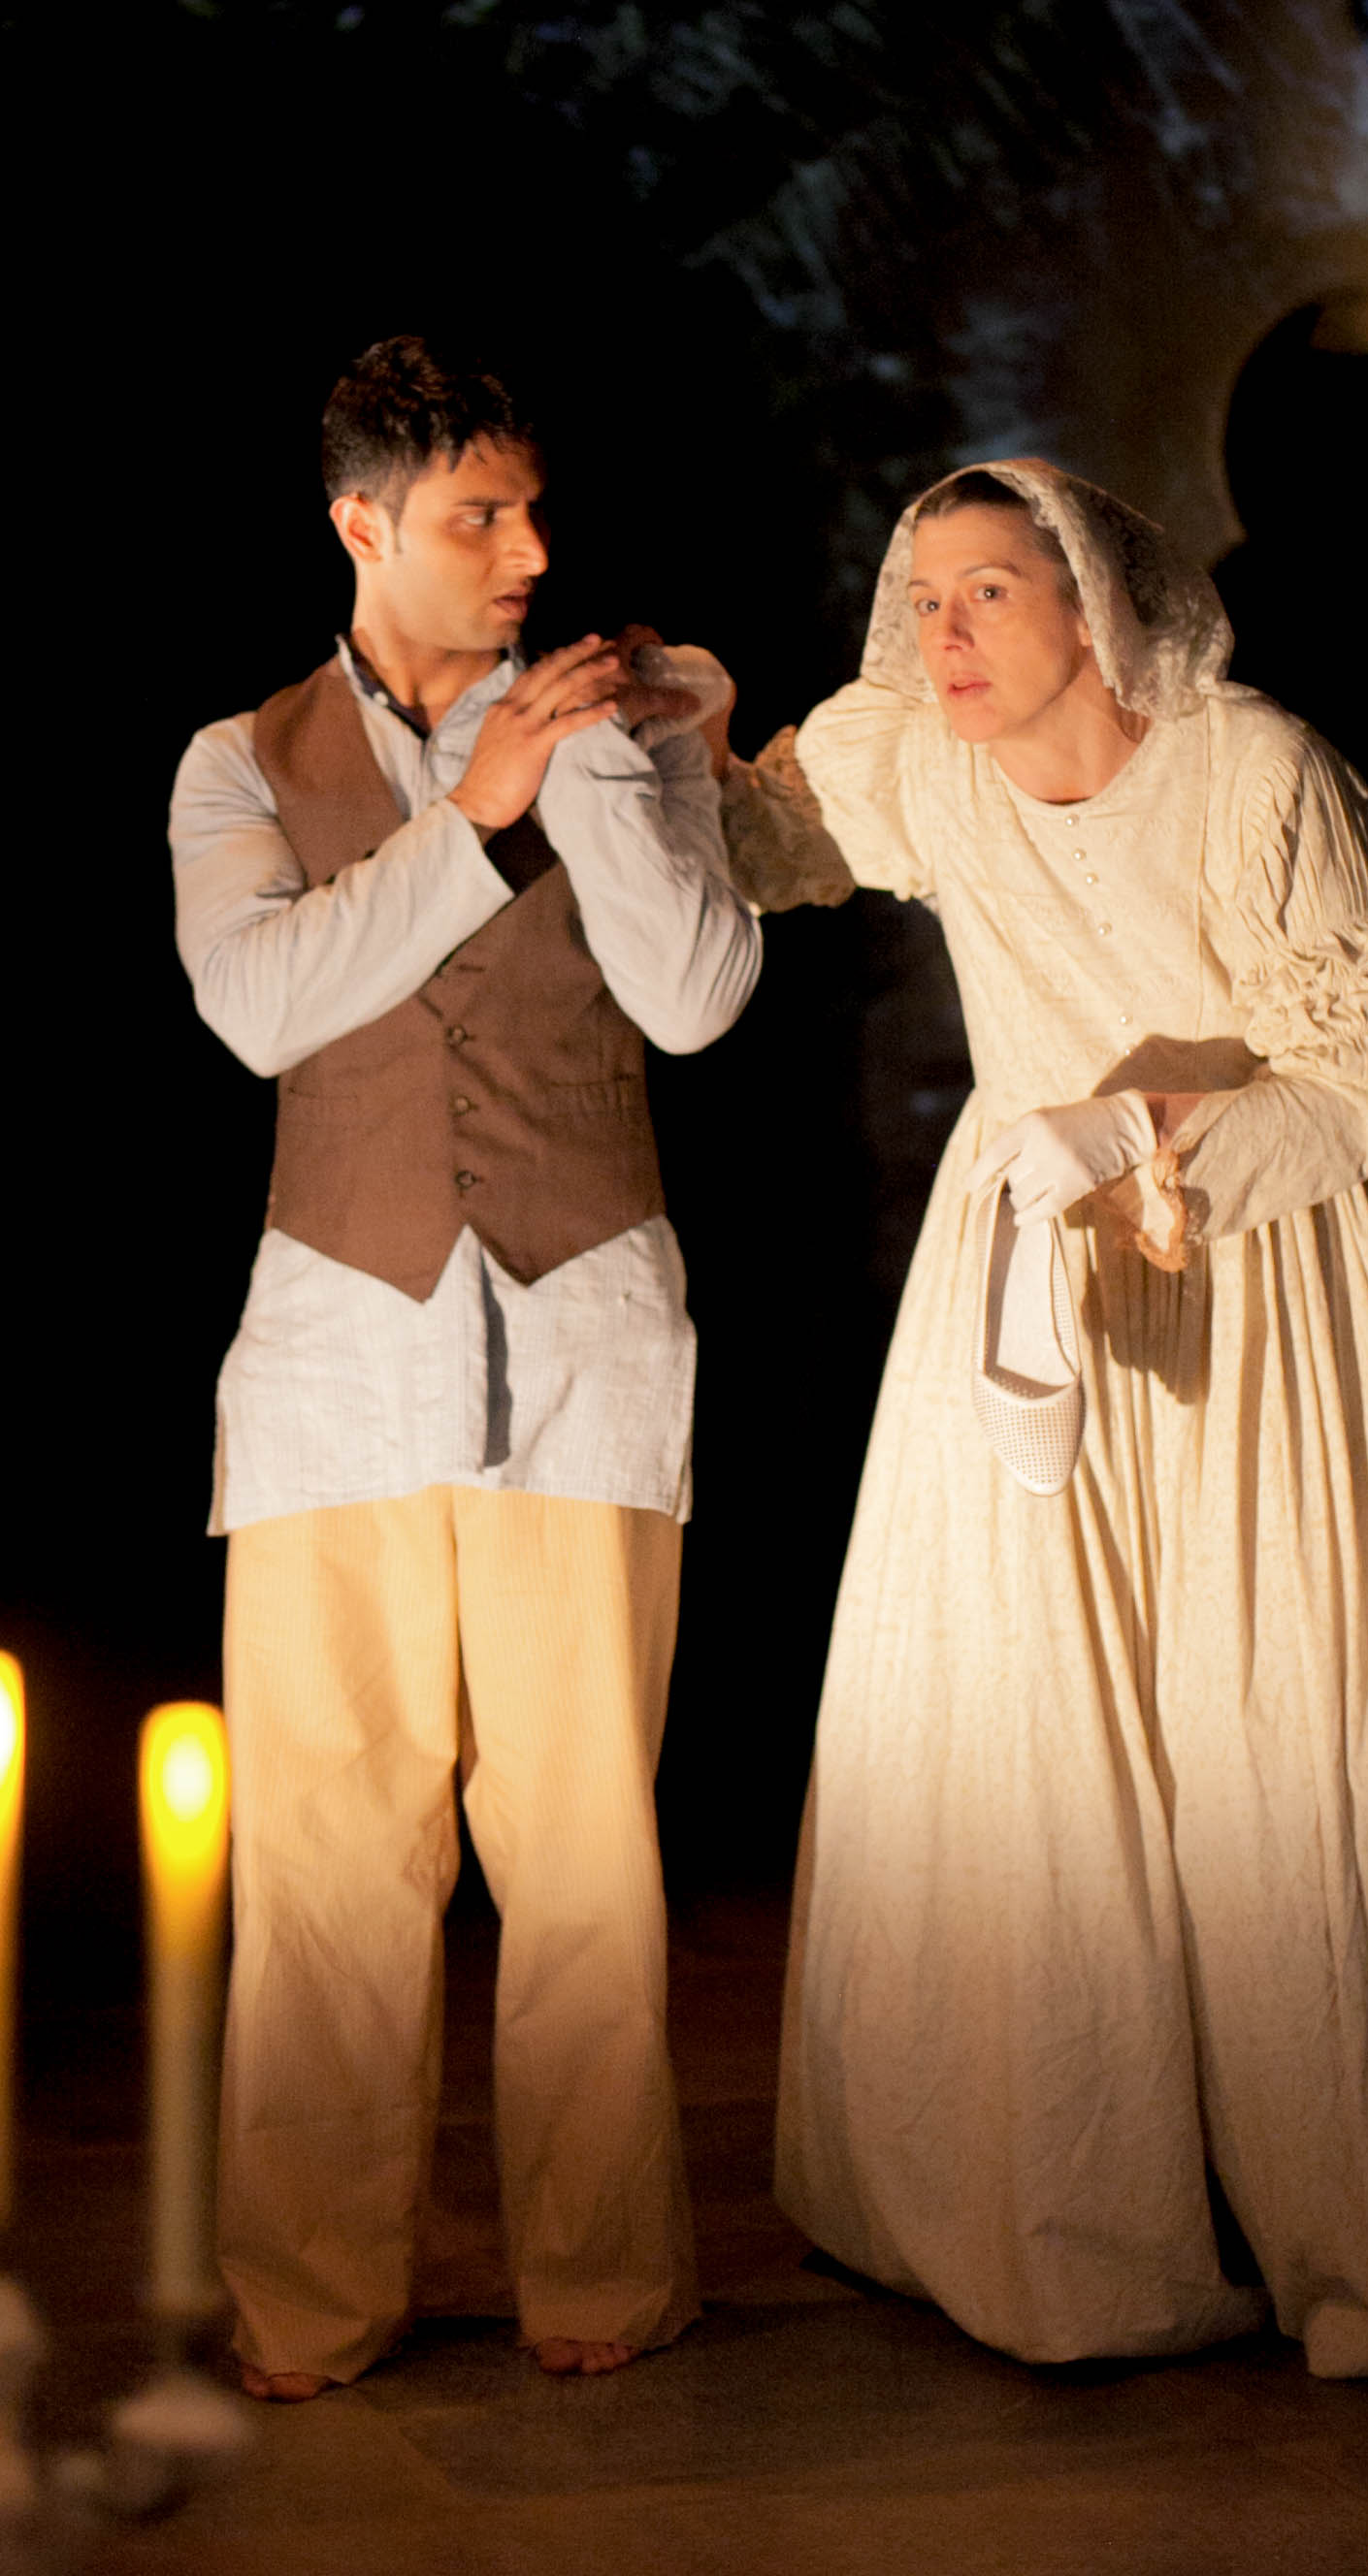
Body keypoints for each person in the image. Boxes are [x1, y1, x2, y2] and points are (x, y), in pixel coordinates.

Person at [716, 461, 1368, 2395]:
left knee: (1300, 1737)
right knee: (1033, 1735)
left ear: (1091, 599)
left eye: (986, 590)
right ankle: (1069, 2211)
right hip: (1035, 1275)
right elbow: (754, 852)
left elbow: (1345, 1076)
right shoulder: (922, 762)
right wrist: (667, 735)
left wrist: (1136, 1132)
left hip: (1263, 1283)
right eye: (923, 597)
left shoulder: (1251, 770)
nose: (944, 632)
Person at [171, 336, 760, 2398]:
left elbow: (696, 999)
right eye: (478, 516)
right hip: (333, 1361)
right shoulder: (235, 760)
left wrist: (620, 773)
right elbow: (263, 1005)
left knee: (584, 1852)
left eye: (530, 508)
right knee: (328, 1863)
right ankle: (312, 2294)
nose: (528, 552)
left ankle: (600, 2273)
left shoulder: (604, 725)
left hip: (585, 1335)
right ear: (361, 523)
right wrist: (475, 816)